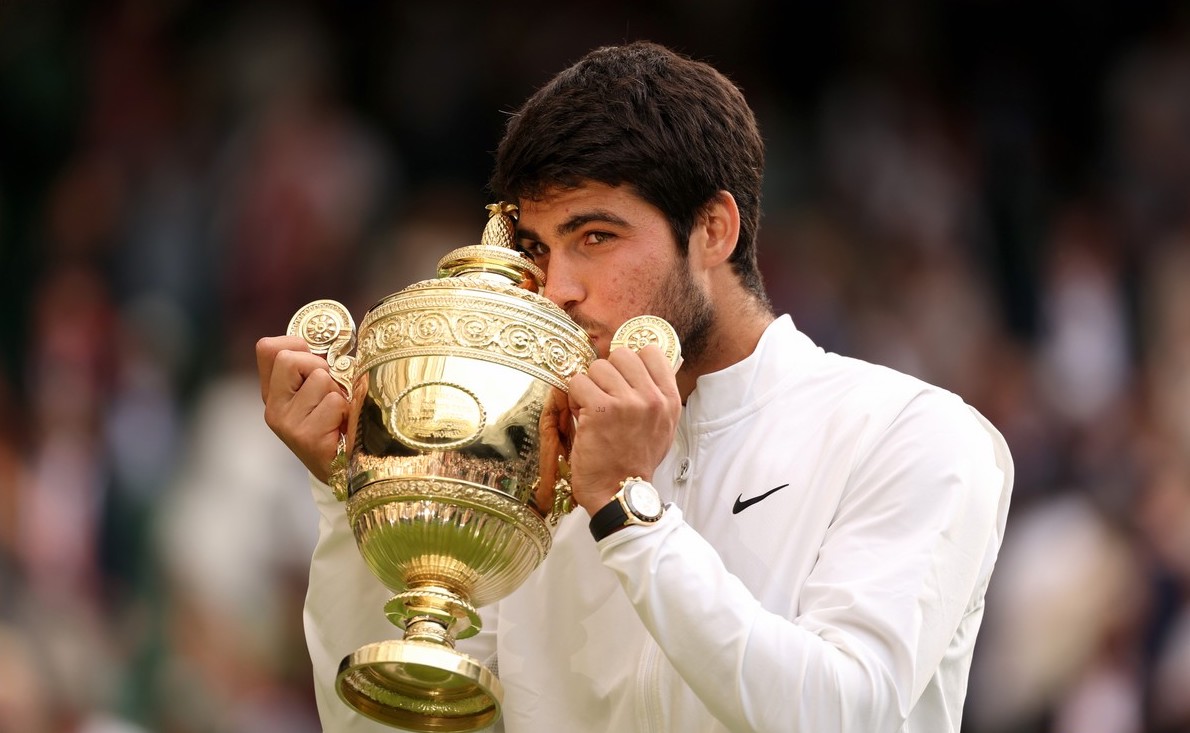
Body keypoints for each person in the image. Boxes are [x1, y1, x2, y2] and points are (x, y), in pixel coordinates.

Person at [256, 40, 1014, 733]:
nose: (558, 288)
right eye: (536, 248)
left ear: (714, 231)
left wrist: (627, 512)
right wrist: (352, 491)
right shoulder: (526, 457)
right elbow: (393, 726)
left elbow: (847, 715)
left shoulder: (914, 432)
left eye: (596, 236)